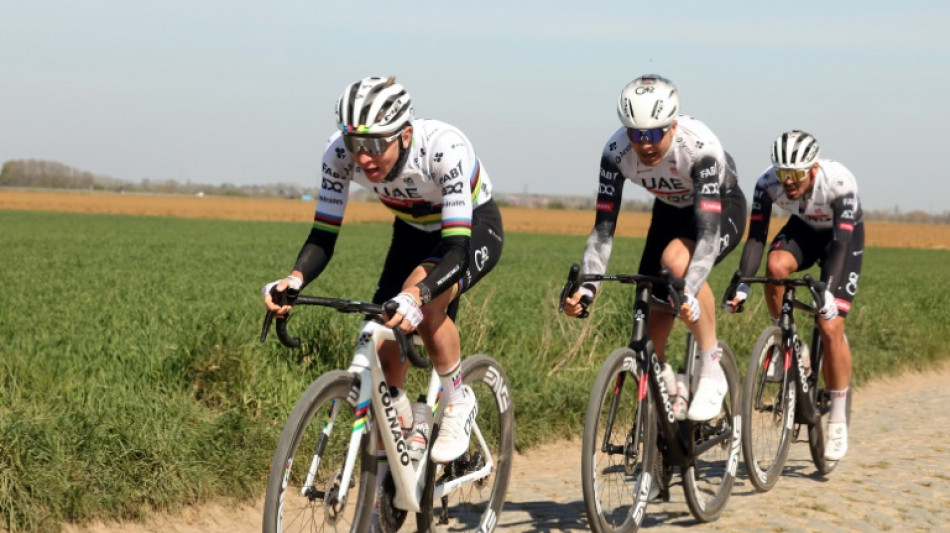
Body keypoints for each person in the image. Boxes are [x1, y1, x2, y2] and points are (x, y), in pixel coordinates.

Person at [263, 76, 504, 474]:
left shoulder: (444, 147)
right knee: (381, 336)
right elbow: (324, 234)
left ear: (405, 134)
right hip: (411, 229)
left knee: (421, 304)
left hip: (469, 229)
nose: (364, 157)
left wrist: (420, 295)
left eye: (375, 144)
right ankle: (408, 432)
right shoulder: (337, 156)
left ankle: (458, 400)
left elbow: (456, 249)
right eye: (355, 144)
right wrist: (294, 280)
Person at [563, 74, 747, 421]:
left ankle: (711, 370)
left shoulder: (699, 148)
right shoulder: (616, 153)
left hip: (719, 207)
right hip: (670, 211)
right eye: (635, 134)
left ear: (673, 126)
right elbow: (603, 230)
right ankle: (672, 388)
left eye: (653, 134)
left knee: (677, 263)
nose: (644, 144)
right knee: (649, 316)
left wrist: (689, 290)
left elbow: (707, 236)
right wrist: (588, 286)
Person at [725, 130, 862, 461]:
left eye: (795, 175)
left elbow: (841, 245)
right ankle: (788, 342)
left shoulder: (839, 183)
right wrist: (742, 282)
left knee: (830, 328)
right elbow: (756, 238)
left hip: (840, 241)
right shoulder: (766, 184)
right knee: (774, 267)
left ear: (812, 169)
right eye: (782, 173)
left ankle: (839, 418)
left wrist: (828, 294)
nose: (787, 182)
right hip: (803, 229)